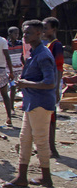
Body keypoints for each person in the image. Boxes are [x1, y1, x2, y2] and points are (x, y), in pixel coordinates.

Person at [3, 20, 57, 188]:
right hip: (31, 102)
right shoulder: (34, 53)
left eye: (28, 33)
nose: (24, 36)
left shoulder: (43, 55)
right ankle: (22, 176)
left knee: (40, 141)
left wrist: (26, 84)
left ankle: (46, 177)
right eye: (24, 32)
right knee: (25, 140)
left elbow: (50, 83)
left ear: (39, 34)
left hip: (40, 103)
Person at [43, 17, 63, 158]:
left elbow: (59, 68)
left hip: (53, 85)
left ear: (53, 29)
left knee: (51, 117)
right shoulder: (48, 45)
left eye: (46, 28)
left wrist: (56, 88)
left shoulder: (56, 45)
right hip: (50, 85)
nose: (44, 31)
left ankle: (52, 148)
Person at [7, 26, 24, 112]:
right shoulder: (6, 45)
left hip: (19, 68)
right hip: (10, 70)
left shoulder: (20, 44)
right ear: (10, 34)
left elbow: (22, 56)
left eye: (18, 33)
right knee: (12, 87)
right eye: (15, 33)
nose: (17, 35)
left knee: (22, 87)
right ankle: (11, 107)